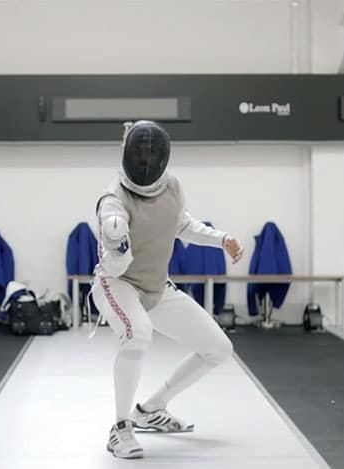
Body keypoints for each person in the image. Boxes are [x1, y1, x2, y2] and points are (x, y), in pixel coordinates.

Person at [89, 120, 244, 459]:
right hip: (116, 285)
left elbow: (182, 225)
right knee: (137, 333)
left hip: (157, 288)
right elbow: (114, 267)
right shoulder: (112, 201)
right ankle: (120, 427)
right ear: (127, 152)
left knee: (218, 348)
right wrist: (117, 246)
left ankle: (150, 409)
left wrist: (221, 239)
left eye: (151, 152)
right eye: (139, 152)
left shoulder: (172, 186)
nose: (145, 160)